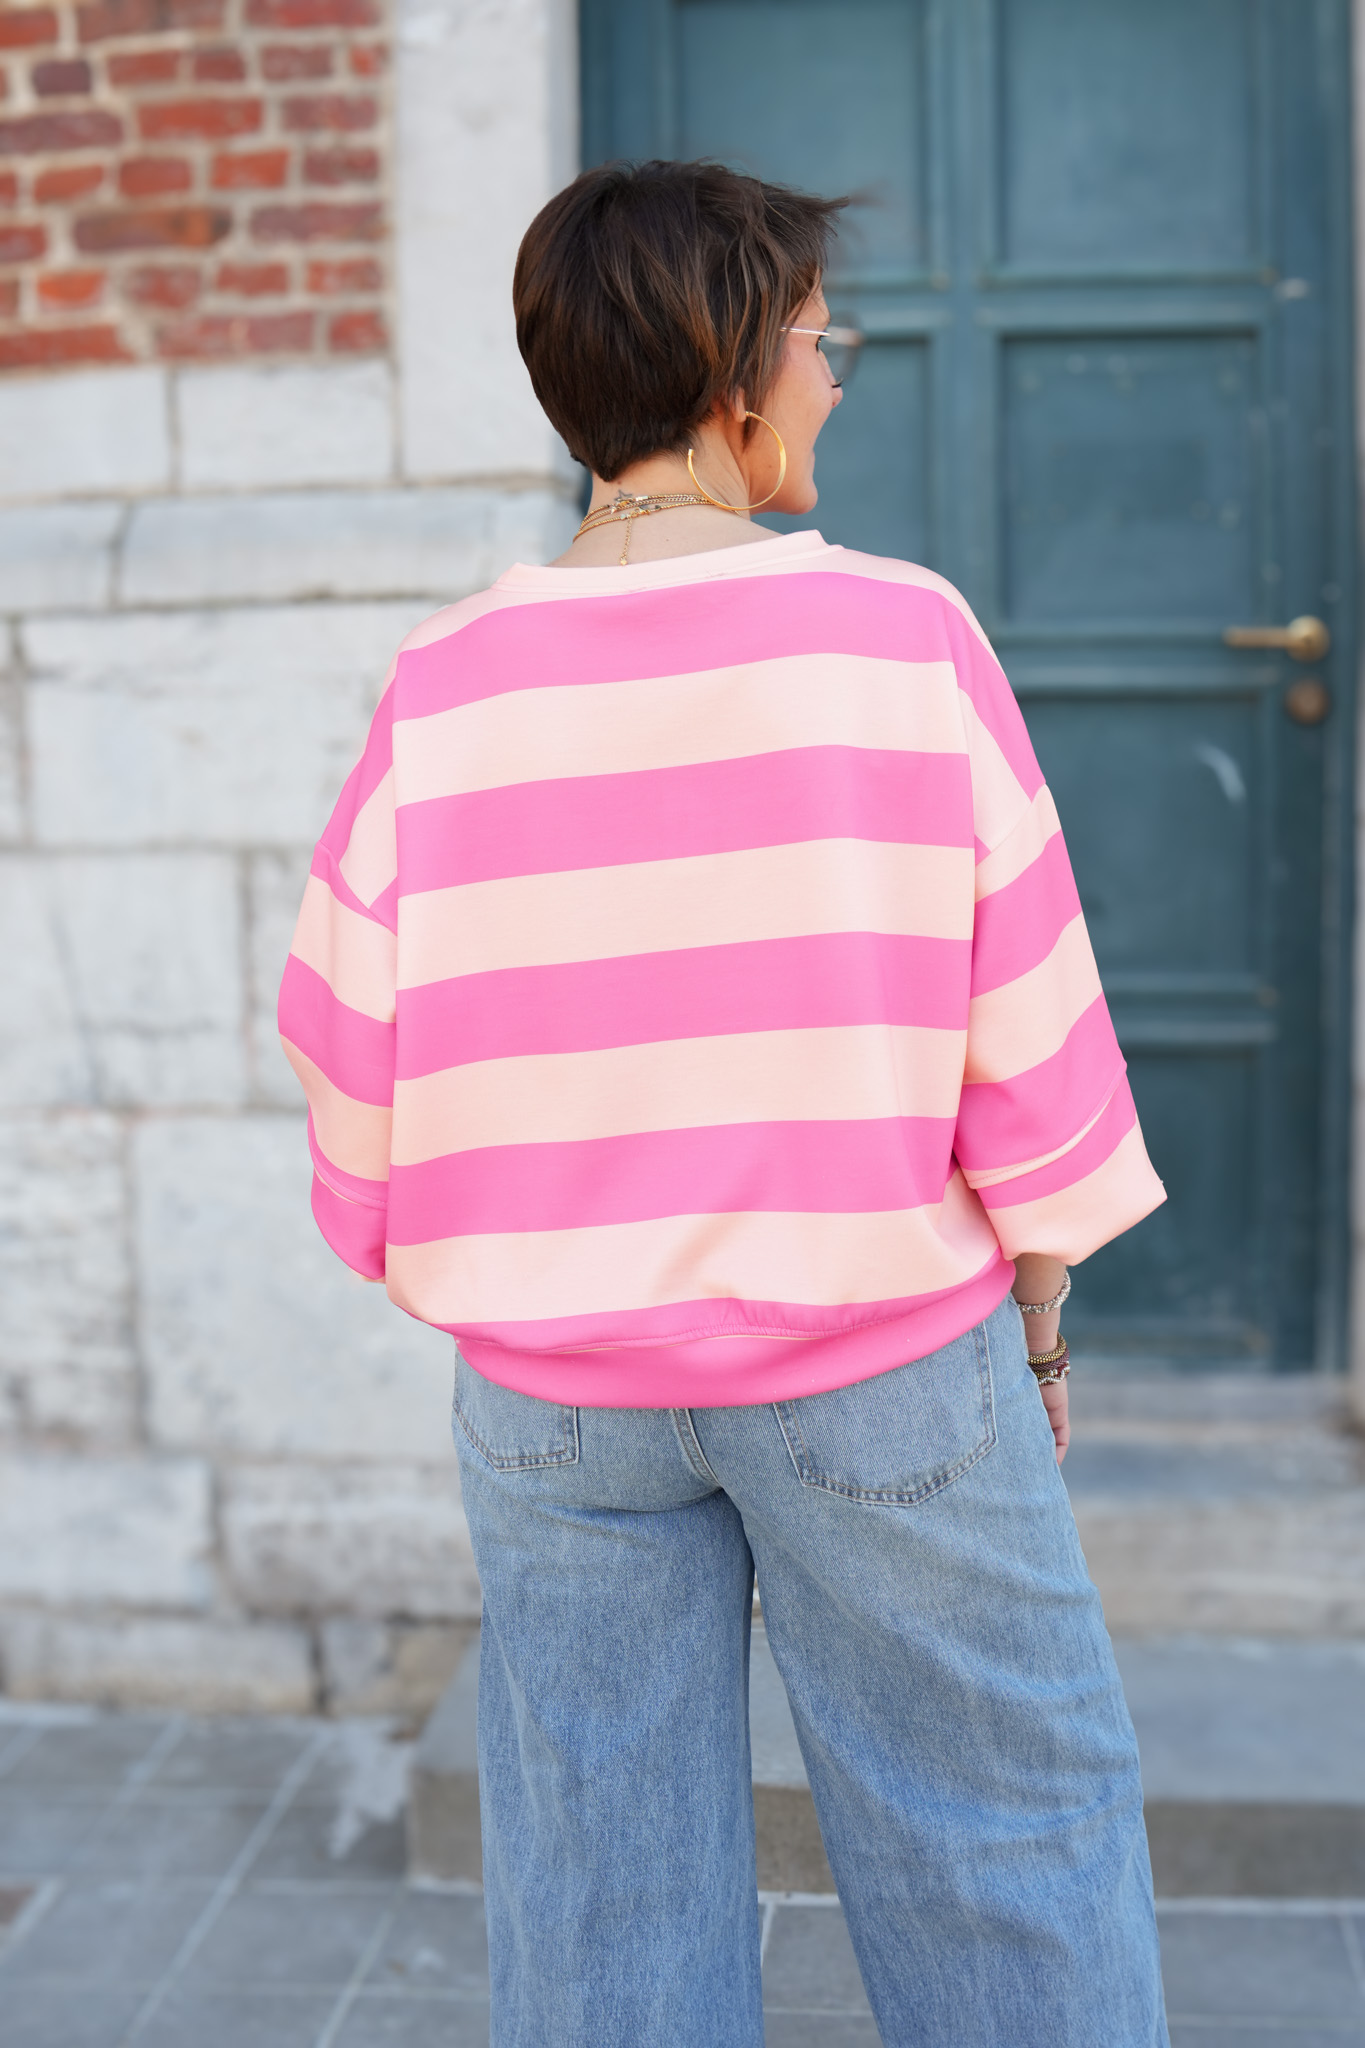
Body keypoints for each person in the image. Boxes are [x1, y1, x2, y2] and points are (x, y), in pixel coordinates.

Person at [280, 158, 1169, 2047]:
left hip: (552, 1401)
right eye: (819, 343)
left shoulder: (442, 684)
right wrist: (1040, 1311)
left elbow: (348, 1035)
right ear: (730, 371)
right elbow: (1024, 1018)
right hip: (877, 1362)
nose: (832, 380)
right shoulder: (898, 635)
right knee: (1007, 1844)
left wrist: (434, 1254)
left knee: (602, 1892)